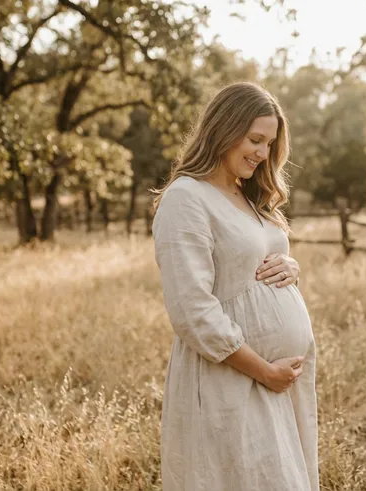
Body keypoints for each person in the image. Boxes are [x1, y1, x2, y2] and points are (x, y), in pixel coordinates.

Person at [150, 82, 318, 491]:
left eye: (269, 143)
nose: (262, 153)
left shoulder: (247, 195)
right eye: (255, 139)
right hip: (232, 377)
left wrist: (289, 266)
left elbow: (249, 260)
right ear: (223, 129)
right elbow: (192, 311)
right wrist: (264, 371)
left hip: (275, 383)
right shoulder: (187, 197)